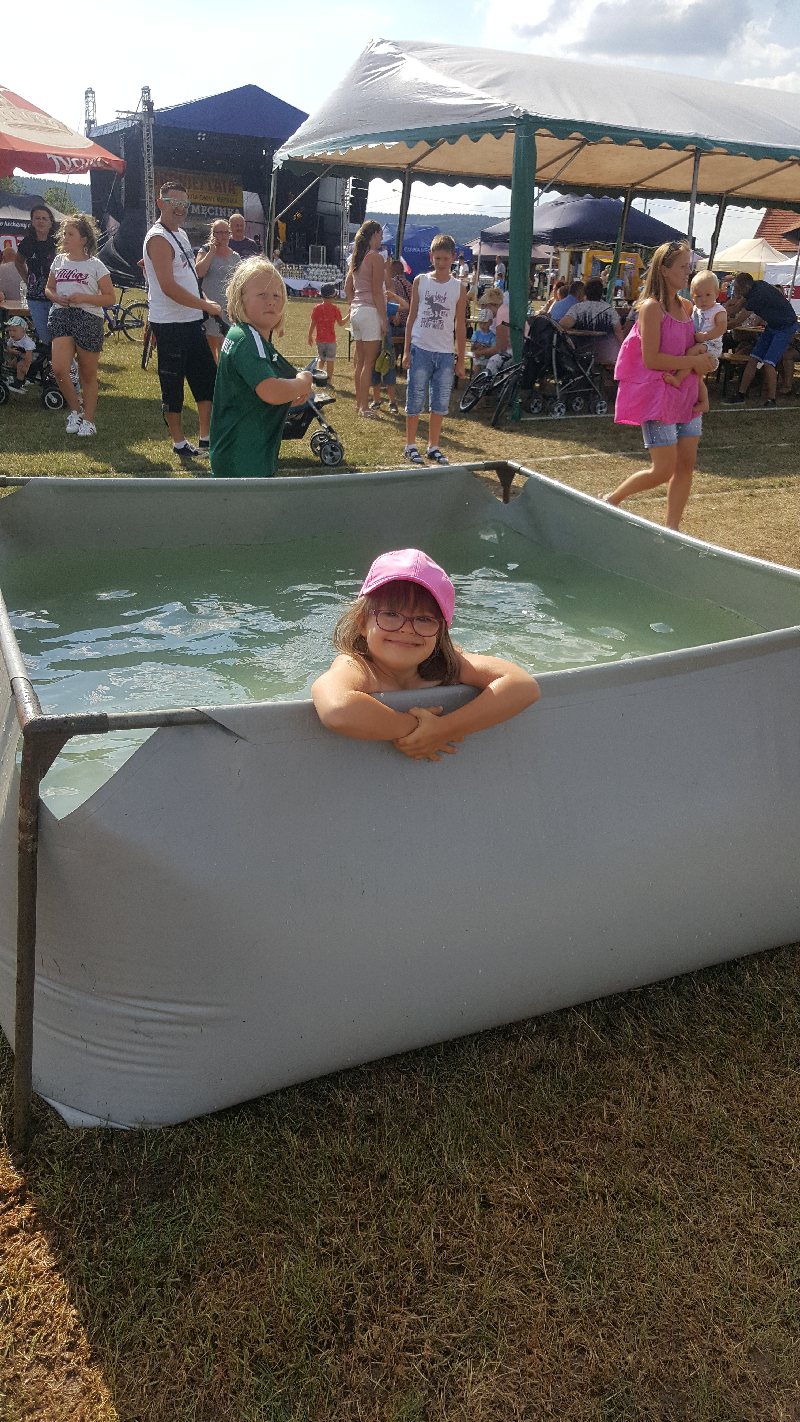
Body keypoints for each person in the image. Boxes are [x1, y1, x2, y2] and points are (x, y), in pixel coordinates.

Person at [311, 548, 539, 762]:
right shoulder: (358, 665)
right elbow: (337, 709)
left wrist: (446, 728)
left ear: (440, 632)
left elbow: (523, 685)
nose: (406, 629)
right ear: (362, 623)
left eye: (423, 619)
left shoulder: (447, 663)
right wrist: (412, 728)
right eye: (390, 614)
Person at [604, 241, 717, 530]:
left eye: (689, 266)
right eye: (683, 267)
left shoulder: (688, 307)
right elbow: (652, 359)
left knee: (685, 466)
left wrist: (705, 361)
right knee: (663, 469)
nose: (688, 272)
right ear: (664, 270)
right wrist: (694, 362)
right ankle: (612, 499)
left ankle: (672, 529)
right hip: (658, 395)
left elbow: (693, 350)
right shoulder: (651, 309)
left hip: (686, 394)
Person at [209, 256, 313, 478]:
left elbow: (259, 390)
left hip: (238, 454)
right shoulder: (248, 340)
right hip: (244, 460)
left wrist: (290, 392)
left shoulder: (245, 335)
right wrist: (302, 382)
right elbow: (270, 391)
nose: (271, 301)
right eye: (262, 295)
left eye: (277, 295)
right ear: (240, 298)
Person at [142, 181, 222, 460]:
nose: (180, 208)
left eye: (184, 204)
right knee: (173, 385)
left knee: (206, 379)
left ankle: (205, 439)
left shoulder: (181, 234)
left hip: (191, 320)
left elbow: (189, 276)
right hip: (170, 324)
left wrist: (203, 302)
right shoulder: (158, 238)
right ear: (160, 203)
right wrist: (205, 305)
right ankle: (179, 443)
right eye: (173, 202)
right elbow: (168, 286)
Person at [44, 213, 115, 437]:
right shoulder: (59, 261)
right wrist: (56, 297)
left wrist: (84, 298)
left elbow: (110, 298)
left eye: (70, 234)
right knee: (59, 368)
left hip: (88, 318)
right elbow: (49, 288)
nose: (65, 237)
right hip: (61, 314)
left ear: (83, 239)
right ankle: (76, 410)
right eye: (64, 233)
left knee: (87, 373)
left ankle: (89, 420)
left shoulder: (96, 265)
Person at [402, 234, 467, 466]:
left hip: (445, 353)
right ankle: (410, 445)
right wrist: (406, 350)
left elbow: (460, 324)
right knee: (415, 398)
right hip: (421, 348)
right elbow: (411, 317)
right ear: (431, 257)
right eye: (437, 258)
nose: (441, 263)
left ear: (453, 258)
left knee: (440, 402)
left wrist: (460, 358)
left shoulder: (459, 287)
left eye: (445, 259)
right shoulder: (420, 281)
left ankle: (433, 446)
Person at [724, 271, 798, 408]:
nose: (736, 290)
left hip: (785, 327)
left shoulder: (757, 296)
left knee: (769, 363)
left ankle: (771, 400)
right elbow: (736, 308)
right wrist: (717, 313)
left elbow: (737, 321)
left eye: (737, 288)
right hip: (773, 325)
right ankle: (741, 394)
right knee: (753, 359)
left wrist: (717, 327)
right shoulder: (754, 286)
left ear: (745, 287)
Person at [662, 270, 726, 416]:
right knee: (696, 376)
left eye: (708, 295)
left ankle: (678, 379)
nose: (703, 300)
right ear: (692, 295)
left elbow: (722, 328)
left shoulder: (718, 309)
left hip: (712, 345)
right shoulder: (695, 309)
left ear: (717, 293)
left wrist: (706, 336)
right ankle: (704, 402)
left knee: (691, 353)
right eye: (698, 296)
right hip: (700, 344)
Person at [345, 220, 387, 418]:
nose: (381, 239)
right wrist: (384, 319)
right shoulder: (375, 257)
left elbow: (348, 288)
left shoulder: (357, 257)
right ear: (375, 234)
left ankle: (359, 403)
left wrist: (354, 304)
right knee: (368, 363)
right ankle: (364, 407)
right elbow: (377, 292)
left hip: (357, 311)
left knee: (360, 361)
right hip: (370, 312)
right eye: (380, 235)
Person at [195, 219, 241, 362]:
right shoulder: (205, 251)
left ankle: (221, 373)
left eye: (226, 232)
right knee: (210, 347)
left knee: (225, 347)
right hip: (209, 307)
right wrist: (212, 252)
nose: (223, 236)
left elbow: (239, 282)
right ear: (213, 234)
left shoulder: (235, 257)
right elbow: (199, 272)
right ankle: (213, 372)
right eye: (219, 232)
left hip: (227, 308)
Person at [14, 203, 58, 344]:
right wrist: (27, 278)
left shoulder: (58, 242)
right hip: (35, 296)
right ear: (32, 221)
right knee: (44, 335)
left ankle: (63, 357)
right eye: (37, 218)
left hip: (57, 294)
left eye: (44, 218)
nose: (41, 221)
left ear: (51, 222)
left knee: (59, 334)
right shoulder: (27, 242)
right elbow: (18, 261)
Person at [558, 277, 623, 364]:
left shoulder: (577, 308)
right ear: (601, 293)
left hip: (581, 354)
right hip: (606, 354)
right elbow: (618, 332)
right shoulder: (610, 310)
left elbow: (562, 325)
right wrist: (623, 351)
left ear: (585, 292)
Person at [307, 282, 345, 384]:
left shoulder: (317, 308)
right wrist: (349, 315)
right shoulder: (335, 309)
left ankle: (318, 378)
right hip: (331, 340)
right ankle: (328, 381)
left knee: (321, 359)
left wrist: (309, 335)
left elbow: (313, 323)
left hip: (320, 339)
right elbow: (341, 323)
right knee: (330, 360)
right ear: (333, 296)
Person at [4, 315, 36, 392]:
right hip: (21, 356)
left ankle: (19, 383)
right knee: (13, 364)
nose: (11, 333)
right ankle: (16, 376)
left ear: (23, 331)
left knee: (20, 366)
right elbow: (8, 347)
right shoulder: (12, 339)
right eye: (10, 330)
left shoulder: (27, 342)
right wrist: (11, 350)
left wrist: (26, 367)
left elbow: (29, 357)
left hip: (32, 358)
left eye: (14, 330)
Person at [470, 306, 496, 371]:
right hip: (477, 360)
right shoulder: (476, 334)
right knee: (477, 369)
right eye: (480, 323)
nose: (482, 325)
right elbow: (472, 348)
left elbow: (493, 349)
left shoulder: (492, 336)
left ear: (490, 322)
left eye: (485, 323)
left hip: (488, 360)